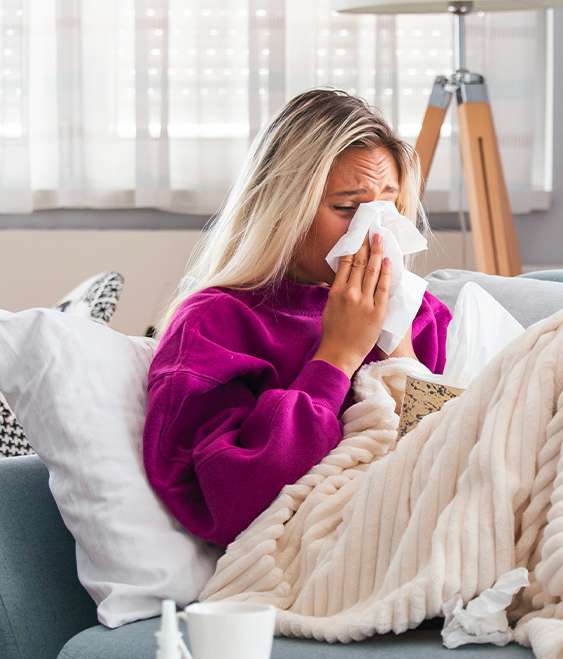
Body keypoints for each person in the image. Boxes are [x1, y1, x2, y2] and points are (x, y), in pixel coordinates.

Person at [143, 89, 451, 547]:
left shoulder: (419, 312)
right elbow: (230, 503)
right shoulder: (216, 324)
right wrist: (338, 356)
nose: (376, 229)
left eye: (390, 206)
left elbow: (445, 458)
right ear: (284, 211)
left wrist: (400, 351)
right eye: (347, 208)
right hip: (325, 547)